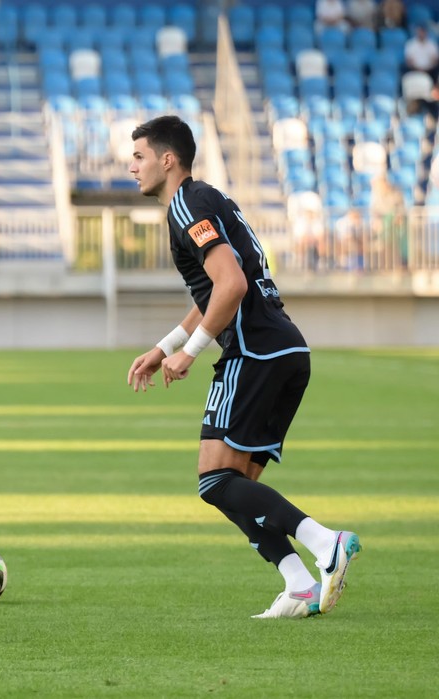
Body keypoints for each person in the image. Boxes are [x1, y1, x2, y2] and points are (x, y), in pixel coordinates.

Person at [126, 116, 361, 619]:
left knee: (214, 482)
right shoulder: (207, 200)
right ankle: (298, 584)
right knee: (236, 490)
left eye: (139, 156)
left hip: (253, 352)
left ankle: (325, 542)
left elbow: (230, 286)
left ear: (168, 160)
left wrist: (190, 353)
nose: (133, 167)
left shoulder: (188, 203)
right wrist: (166, 344)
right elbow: (213, 289)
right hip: (284, 351)